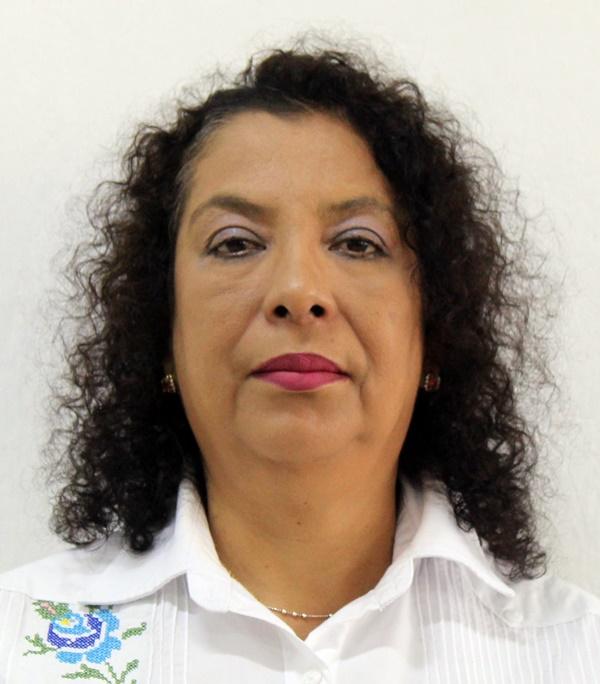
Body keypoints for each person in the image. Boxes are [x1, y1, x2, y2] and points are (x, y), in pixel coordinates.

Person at [1, 36, 598, 682]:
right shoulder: (18, 644)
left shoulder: (572, 653)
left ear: (435, 329)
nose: (297, 291)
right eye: (235, 243)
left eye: (358, 243)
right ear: (161, 328)